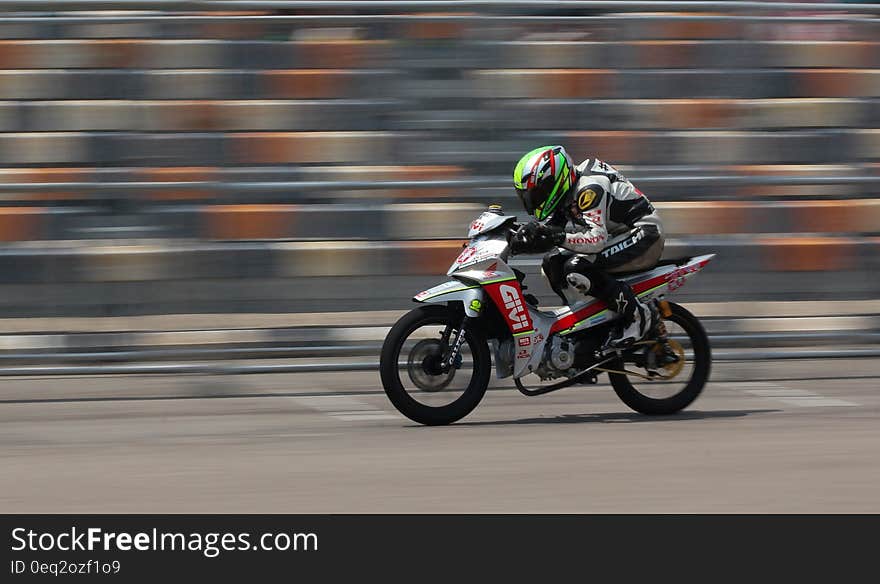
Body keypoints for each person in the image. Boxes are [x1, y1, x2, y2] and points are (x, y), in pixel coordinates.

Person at [510, 145, 664, 349]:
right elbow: (549, 232)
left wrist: (556, 236)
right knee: (552, 263)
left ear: (555, 181)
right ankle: (583, 321)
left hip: (644, 234)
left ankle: (639, 315)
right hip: (619, 235)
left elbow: (596, 240)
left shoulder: (589, 188)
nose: (536, 201)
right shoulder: (569, 188)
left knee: (577, 267)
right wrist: (516, 239)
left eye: (538, 193)